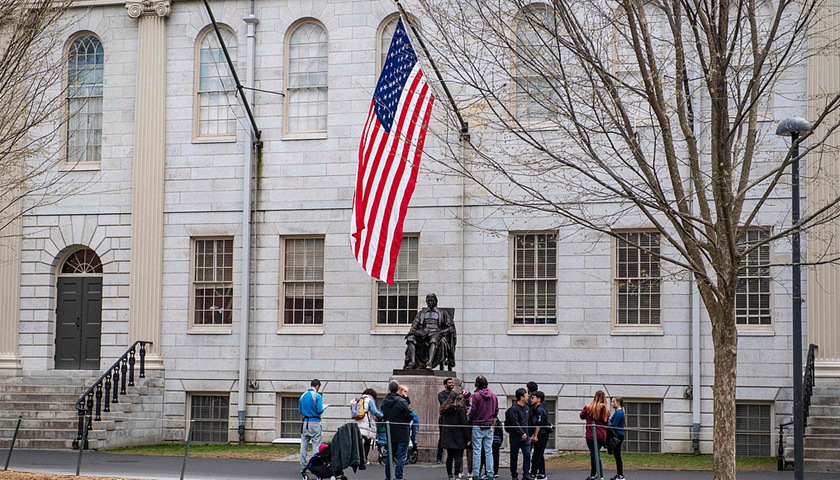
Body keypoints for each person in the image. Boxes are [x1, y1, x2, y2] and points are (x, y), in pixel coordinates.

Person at [404, 293, 457, 370]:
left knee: (433, 340)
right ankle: (413, 362)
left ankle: (429, 363)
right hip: (423, 333)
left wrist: (443, 331)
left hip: (436, 332)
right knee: (410, 338)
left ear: (436, 301)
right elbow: (416, 322)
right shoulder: (422, 313)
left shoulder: (443, 313)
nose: (430, 302)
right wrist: (413, 328)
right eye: (428, 301)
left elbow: (451, 327)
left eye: (432, 300)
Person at [382, 380, 413, 480]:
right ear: (398, 389)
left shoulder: (385, 401)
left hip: (390, 431)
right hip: (402, 431)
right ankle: (398, 477)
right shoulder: (401, 401)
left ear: (389, 389)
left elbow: (383, 413)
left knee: (389, 456)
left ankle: (388, 477)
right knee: (401, 456)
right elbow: (410, 415)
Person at [469, 375, 498, 480]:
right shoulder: (494, 395)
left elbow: (473, 410)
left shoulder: (476, 396)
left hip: (478, 424)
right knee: (489, 451)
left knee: (477, 451)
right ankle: (490, 473)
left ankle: (476, 474)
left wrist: (469, 415)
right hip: (489, 425)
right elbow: (496, 410)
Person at [439, 390, 471, 480]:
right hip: (458, 434)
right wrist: (468, 438)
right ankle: (456, 475)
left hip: (448, 434)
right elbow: (464, 423)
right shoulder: (460, 408)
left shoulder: (444, 408)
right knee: (458, 456)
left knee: (449, 456)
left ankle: (450, 475)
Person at [580, 390, 610, 480]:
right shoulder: (606, 410)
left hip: (592, 435)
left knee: (595, 455)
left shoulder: (589, 407)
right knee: (594, 454)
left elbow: (581, 416)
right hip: (602, 435)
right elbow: (607, 421)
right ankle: (593, 474)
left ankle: (601, 476)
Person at [299, 379, 325, 478]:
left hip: (305, 422)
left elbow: (300, 410)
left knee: (303, 445)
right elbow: (320, 410)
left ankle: (303, 466)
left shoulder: (302, 396)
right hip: (314, 422)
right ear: (317, 386)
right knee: (316, 445)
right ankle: (315, 466)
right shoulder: (317, 396)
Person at [505, 388, 532, 480]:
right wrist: (521, 433)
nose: (528, 397)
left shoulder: (527, 408)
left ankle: (526, 473)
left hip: (526, 437)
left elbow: (528, 421)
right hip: (515, 437)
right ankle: (514, 474)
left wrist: (528, 433)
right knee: (514, 456)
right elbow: (514, 422)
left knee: (527, 455)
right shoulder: (514, 409)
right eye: (526, 395)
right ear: (521, 397)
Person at [354, 388, 384, 465]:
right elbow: (375, 411)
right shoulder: (370, 400)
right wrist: (382, 415)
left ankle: (357, 458)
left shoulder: (358, 399)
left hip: (358, 423)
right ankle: (364, 459)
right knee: (367, 442)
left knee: (359, 442)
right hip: (366, 424)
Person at [528, 391, 551, 480]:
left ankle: (533, 473)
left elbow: (539, 423)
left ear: (539, 399)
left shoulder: (540, 410)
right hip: (540, 433)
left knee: (537, 454)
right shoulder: (535, 408)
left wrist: (535, 435)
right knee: (539, 454)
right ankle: (542, 472)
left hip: (542, 434)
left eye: (533, 398)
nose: (531, 399)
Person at [437, 377, 456, 464]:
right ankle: (439, 456)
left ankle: (453, 456)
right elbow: (444, 406)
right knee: (442, 437)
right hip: (444, 419)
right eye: (449, 383)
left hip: (453, 418)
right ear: (445, 385)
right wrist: (452, 406)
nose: (451, 384)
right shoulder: (441, 394)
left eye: (452, 382)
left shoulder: (455, 394)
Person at [608, 397, 626, 480]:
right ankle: (619, 474)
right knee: (616, 455)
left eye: (613, 402)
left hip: (618, 435)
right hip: (617, 435)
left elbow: (614, 425)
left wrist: (608, 424)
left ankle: (620, 475)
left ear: (618, 402)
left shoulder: (619, 413)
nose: (612, 403)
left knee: (617, 455)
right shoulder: (617, 412)